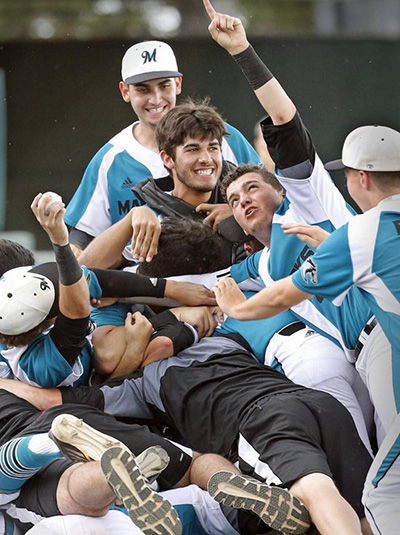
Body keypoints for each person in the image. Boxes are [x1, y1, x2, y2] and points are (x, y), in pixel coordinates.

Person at [6, 329, 374, 535]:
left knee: (315, 492)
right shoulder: (226, 339)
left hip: (261, 419)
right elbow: (181, 326)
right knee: (365, 512)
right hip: (319, 403)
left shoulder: (141, 385)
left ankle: (102, 467)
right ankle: (234, 483)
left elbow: (47, 400)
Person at [64, 40, 260, 258]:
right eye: (143, 89)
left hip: (229, 274)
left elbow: (273, 198)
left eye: (164, 85)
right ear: (125, 91)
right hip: (137, 281)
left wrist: (237, 213)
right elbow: (82, 235)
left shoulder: (223, 137)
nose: (156, 99)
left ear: (177, 84)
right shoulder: (111, 157)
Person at [0, 193, 217, 387]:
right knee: (130, 353)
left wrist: (171, 288)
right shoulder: (42, 368)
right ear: (42, 323)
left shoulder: (18, 285)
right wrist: (60, 240)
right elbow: (101, 390)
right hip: (68, 405)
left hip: (97, 338)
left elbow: (94, 277)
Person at [77, 98, 250, 270]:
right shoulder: (155, 218)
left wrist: (239, 210)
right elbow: (84, 272)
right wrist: (130, 219)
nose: (206, 159)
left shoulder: (247, 198)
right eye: (192, 150)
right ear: (167, 159)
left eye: (213, 148)